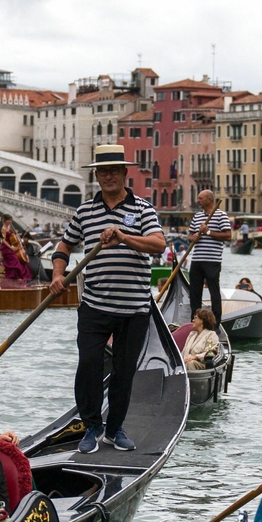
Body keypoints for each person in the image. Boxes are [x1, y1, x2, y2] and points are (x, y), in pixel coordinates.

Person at [50, 144, 166, 454]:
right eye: (103, 171)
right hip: (94, 305)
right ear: (97, 176)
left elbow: (158, 244)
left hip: (134, 308)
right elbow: (63, 248)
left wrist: (123, 237)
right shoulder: (85, 211)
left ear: (125, 173)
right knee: (88, 364)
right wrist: (57, 275)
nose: (109, 175)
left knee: (124, 372)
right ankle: (91, 426)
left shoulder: (142, 209)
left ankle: (114, 428)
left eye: (115, 170)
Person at [187, 190, 233, 325]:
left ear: (209, 200)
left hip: (212, 260)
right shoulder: (197, 216)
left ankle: (215, 322)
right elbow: (189, 235)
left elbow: (228, 236)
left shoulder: (221, 216)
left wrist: (208, 232)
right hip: (197, 259)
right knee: (194, 292)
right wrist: (193, 237)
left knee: (214, 291)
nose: (198, 200)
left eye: (200, 198)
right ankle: (195, 320)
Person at [0, 215, 32, 283]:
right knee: (15, 260)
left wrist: (14, 232)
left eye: (11, 220)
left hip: (10, 246)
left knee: (17, 260)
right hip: (5, 247)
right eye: (9, 220)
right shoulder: (3, 228)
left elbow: (12, 236)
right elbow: (3, 240)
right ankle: (17, 277)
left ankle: (18, 276)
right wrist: (11, 247)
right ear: (5, 220)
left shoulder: (9, 226)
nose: (11, 221)